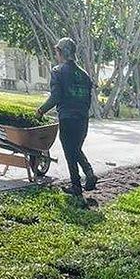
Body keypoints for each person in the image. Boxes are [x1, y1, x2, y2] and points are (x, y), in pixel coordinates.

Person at [36, 37, 98, 197]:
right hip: (83, 118)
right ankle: (89, 174)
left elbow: (55, 96)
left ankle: (76, 186)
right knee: (75, 149)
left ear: (60, 52)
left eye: (56, 52)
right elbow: (88, 100)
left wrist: (41, 110)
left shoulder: (58, 71)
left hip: (67, 118)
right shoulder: (84, 75)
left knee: (70, 151)